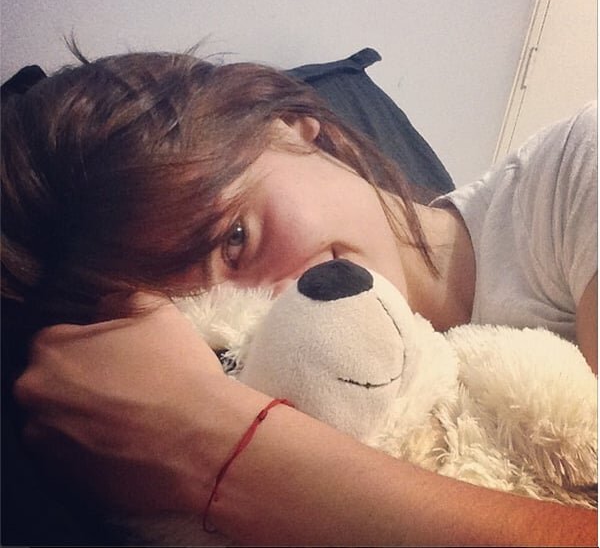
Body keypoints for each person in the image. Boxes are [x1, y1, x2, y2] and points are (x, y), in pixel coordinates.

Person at [2, 48, 597, 547]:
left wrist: (214, 446)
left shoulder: (573, 182)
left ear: (289, 125)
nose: (280, 305)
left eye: (236, 238)